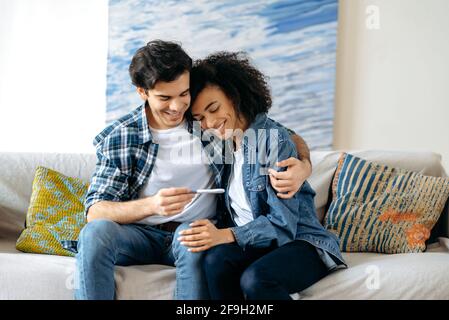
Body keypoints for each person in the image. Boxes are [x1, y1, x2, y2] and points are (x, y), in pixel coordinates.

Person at [74, 40, 313, 300]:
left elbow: (280, 134)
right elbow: (95, 211)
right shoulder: (121, 136)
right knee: (95, 234)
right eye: (165, 98)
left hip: (194, 228)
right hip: (138, 234)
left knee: (193, 238)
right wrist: (152, 206)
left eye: (183, 94)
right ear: (142, 92)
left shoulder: (202, 116)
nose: (177, 107)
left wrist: (304, 166)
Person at [179, 51, 347, 300]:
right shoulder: (222, 143)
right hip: (257, 244)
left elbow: (283, 225)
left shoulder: (270, 141)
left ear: (235, 95)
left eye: (214, 108)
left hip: (301, 242)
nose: (210, 123)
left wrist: (225, 235)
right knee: (215, 260)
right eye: (200, 118)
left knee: (256, 279)